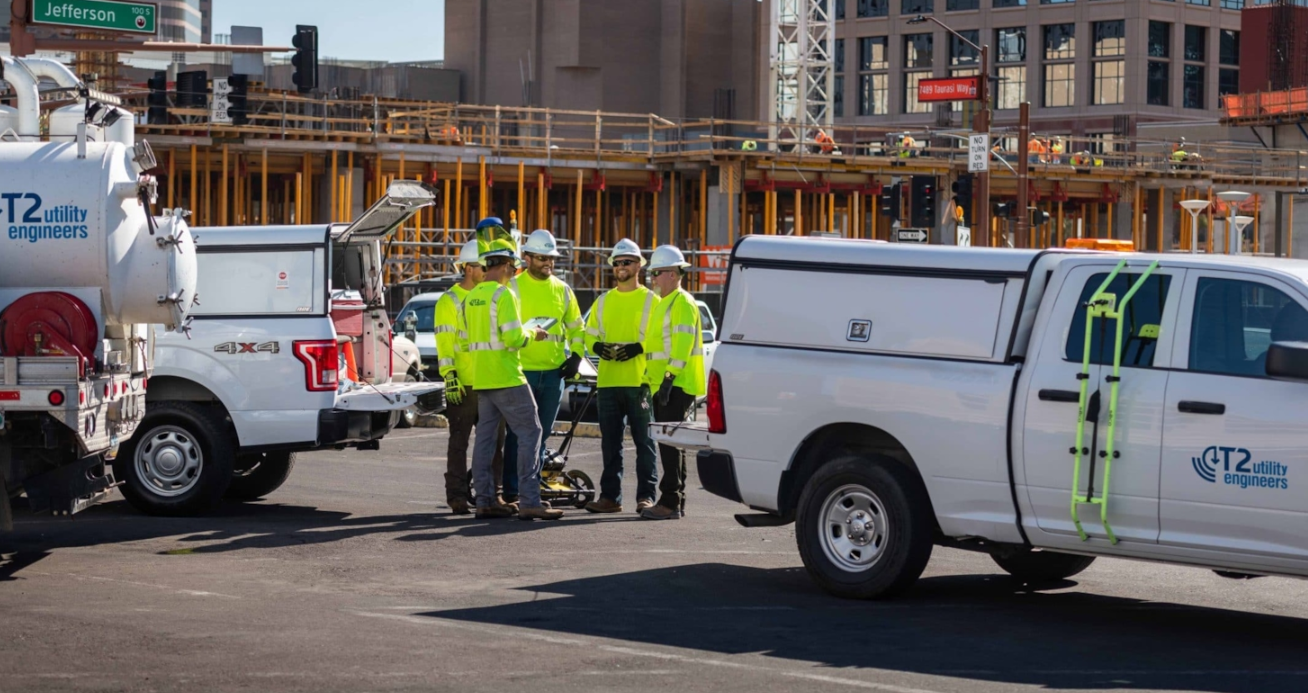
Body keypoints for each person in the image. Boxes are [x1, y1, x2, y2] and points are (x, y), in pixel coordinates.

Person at [458, 221, 562, 521]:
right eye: (514, 268)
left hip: (482, 378)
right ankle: (530, 500)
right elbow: (514, 338)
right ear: (504, 266)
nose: (515, 272)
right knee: (532, 431)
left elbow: (465, 341)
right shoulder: (504, 296)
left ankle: (486, 500)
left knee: (486, 440)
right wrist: (536, 334)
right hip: (507, 375)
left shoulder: (470, 298)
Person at [500, 229, 585, 502]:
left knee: (542, 434)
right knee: (518, 434)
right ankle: (514, 491)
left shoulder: (562, 290)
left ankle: (531, 488)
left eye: (551, 258)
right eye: (541, 258)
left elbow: (577, 328)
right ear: (526, 258)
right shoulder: (512, 288)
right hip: (520, 372)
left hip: (552, 374)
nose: (548, 262)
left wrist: (577, 356)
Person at [584, 238, 659, 514]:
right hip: (608, 382)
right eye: (617, 263)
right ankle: (610, 498)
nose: (620, 267)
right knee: (610, 444)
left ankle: (646, 497)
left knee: (645, 443)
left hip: (640, 382)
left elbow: (663, 337)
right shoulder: (603, 301)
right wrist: (598, 347)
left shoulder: (653, 300)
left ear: (639, 265)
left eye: (626, 262)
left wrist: (639, 348)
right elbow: (588, 336)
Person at [437, 240, 504, 514]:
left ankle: (492, 496)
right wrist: (449, 374)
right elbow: (444, 341)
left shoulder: (491, 295)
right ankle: (457, 496)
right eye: (481, 266)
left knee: (495, 445)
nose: (486, 270)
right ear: (467, 268)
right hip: (463, 384)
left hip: (490, 381)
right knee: (459, 443)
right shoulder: (449, 301)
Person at [640, 245, 706, 520]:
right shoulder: (665, 303)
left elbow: (681, 347)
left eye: (656, 273)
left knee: (669, 444)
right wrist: (650, 381)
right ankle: (674, 501)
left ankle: (669, 502)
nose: (652, 278)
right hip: (666, 384)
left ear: (671, 273)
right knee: (671, 444)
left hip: (675, 385)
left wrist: (667, 380)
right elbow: (655, 347)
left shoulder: (681, 303)